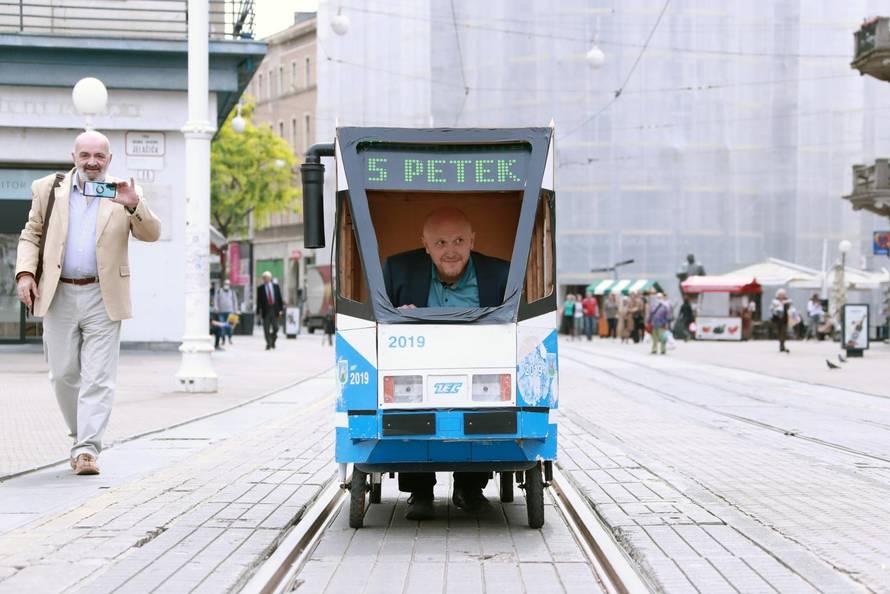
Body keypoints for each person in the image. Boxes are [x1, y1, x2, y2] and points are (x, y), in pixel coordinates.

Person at [14, 130, 161, 475]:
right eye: (85, 156)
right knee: (63, 373)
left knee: (98, 377)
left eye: (99, 156)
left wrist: (135, 205)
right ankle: (82, 434)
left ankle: (87, 450)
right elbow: (31, 234)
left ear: (109, 160)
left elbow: (152, 233)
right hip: (59, 293)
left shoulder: (125, 192)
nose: (92, 162)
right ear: (74, 157)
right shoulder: (48, 189)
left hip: (102, 293)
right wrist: (24, 273)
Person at [382, 207, 509, 521]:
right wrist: (399, 315)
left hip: (480, 364)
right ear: (425, 244)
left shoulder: (502, 274)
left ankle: (470, 488)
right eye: (440, 243)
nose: (450, 251)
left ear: (472, 241)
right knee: (407, 408)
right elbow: (378, 322)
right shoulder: (397, 270)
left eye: (458, 241)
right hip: (416, 364)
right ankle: (420, 491)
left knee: (485, 412)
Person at [256, 271, 284, 350]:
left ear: (270, 278)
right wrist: (258, 312)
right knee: (266, 328)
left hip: (274, 310)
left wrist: (281, 310)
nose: (265, 279)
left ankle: (272, 340)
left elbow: (279, 298)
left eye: (267, 278)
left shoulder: (276, 287)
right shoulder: (260, 288)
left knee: (276, 328)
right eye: (264, 278)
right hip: (266, 310)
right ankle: (268, 343)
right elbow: (259, 301)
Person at [213, 279, 239, 345]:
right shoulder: (219, 291)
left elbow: (235, 301)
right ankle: (223, 339)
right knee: (222, 326)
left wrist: (236, 310)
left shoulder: (232, 292)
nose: (226, 285)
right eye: (225, 284)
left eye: (228, 284)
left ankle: (230, 338)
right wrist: (216, 307)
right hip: (221, 312)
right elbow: (215, 300)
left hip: (230, 312)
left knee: (229, 327)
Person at [770, 289, 792, 353]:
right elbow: (771, 309)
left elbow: (789, 308)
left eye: (783, 295)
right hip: (777, 319)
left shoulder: (787, 301)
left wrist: (787, 304)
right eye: (780, 295)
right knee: (779, 332)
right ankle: (781, 344)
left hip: (784, 319)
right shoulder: (775, 301)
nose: (782, 296)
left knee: (784, 332)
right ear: (778, 295)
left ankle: (782, 345)